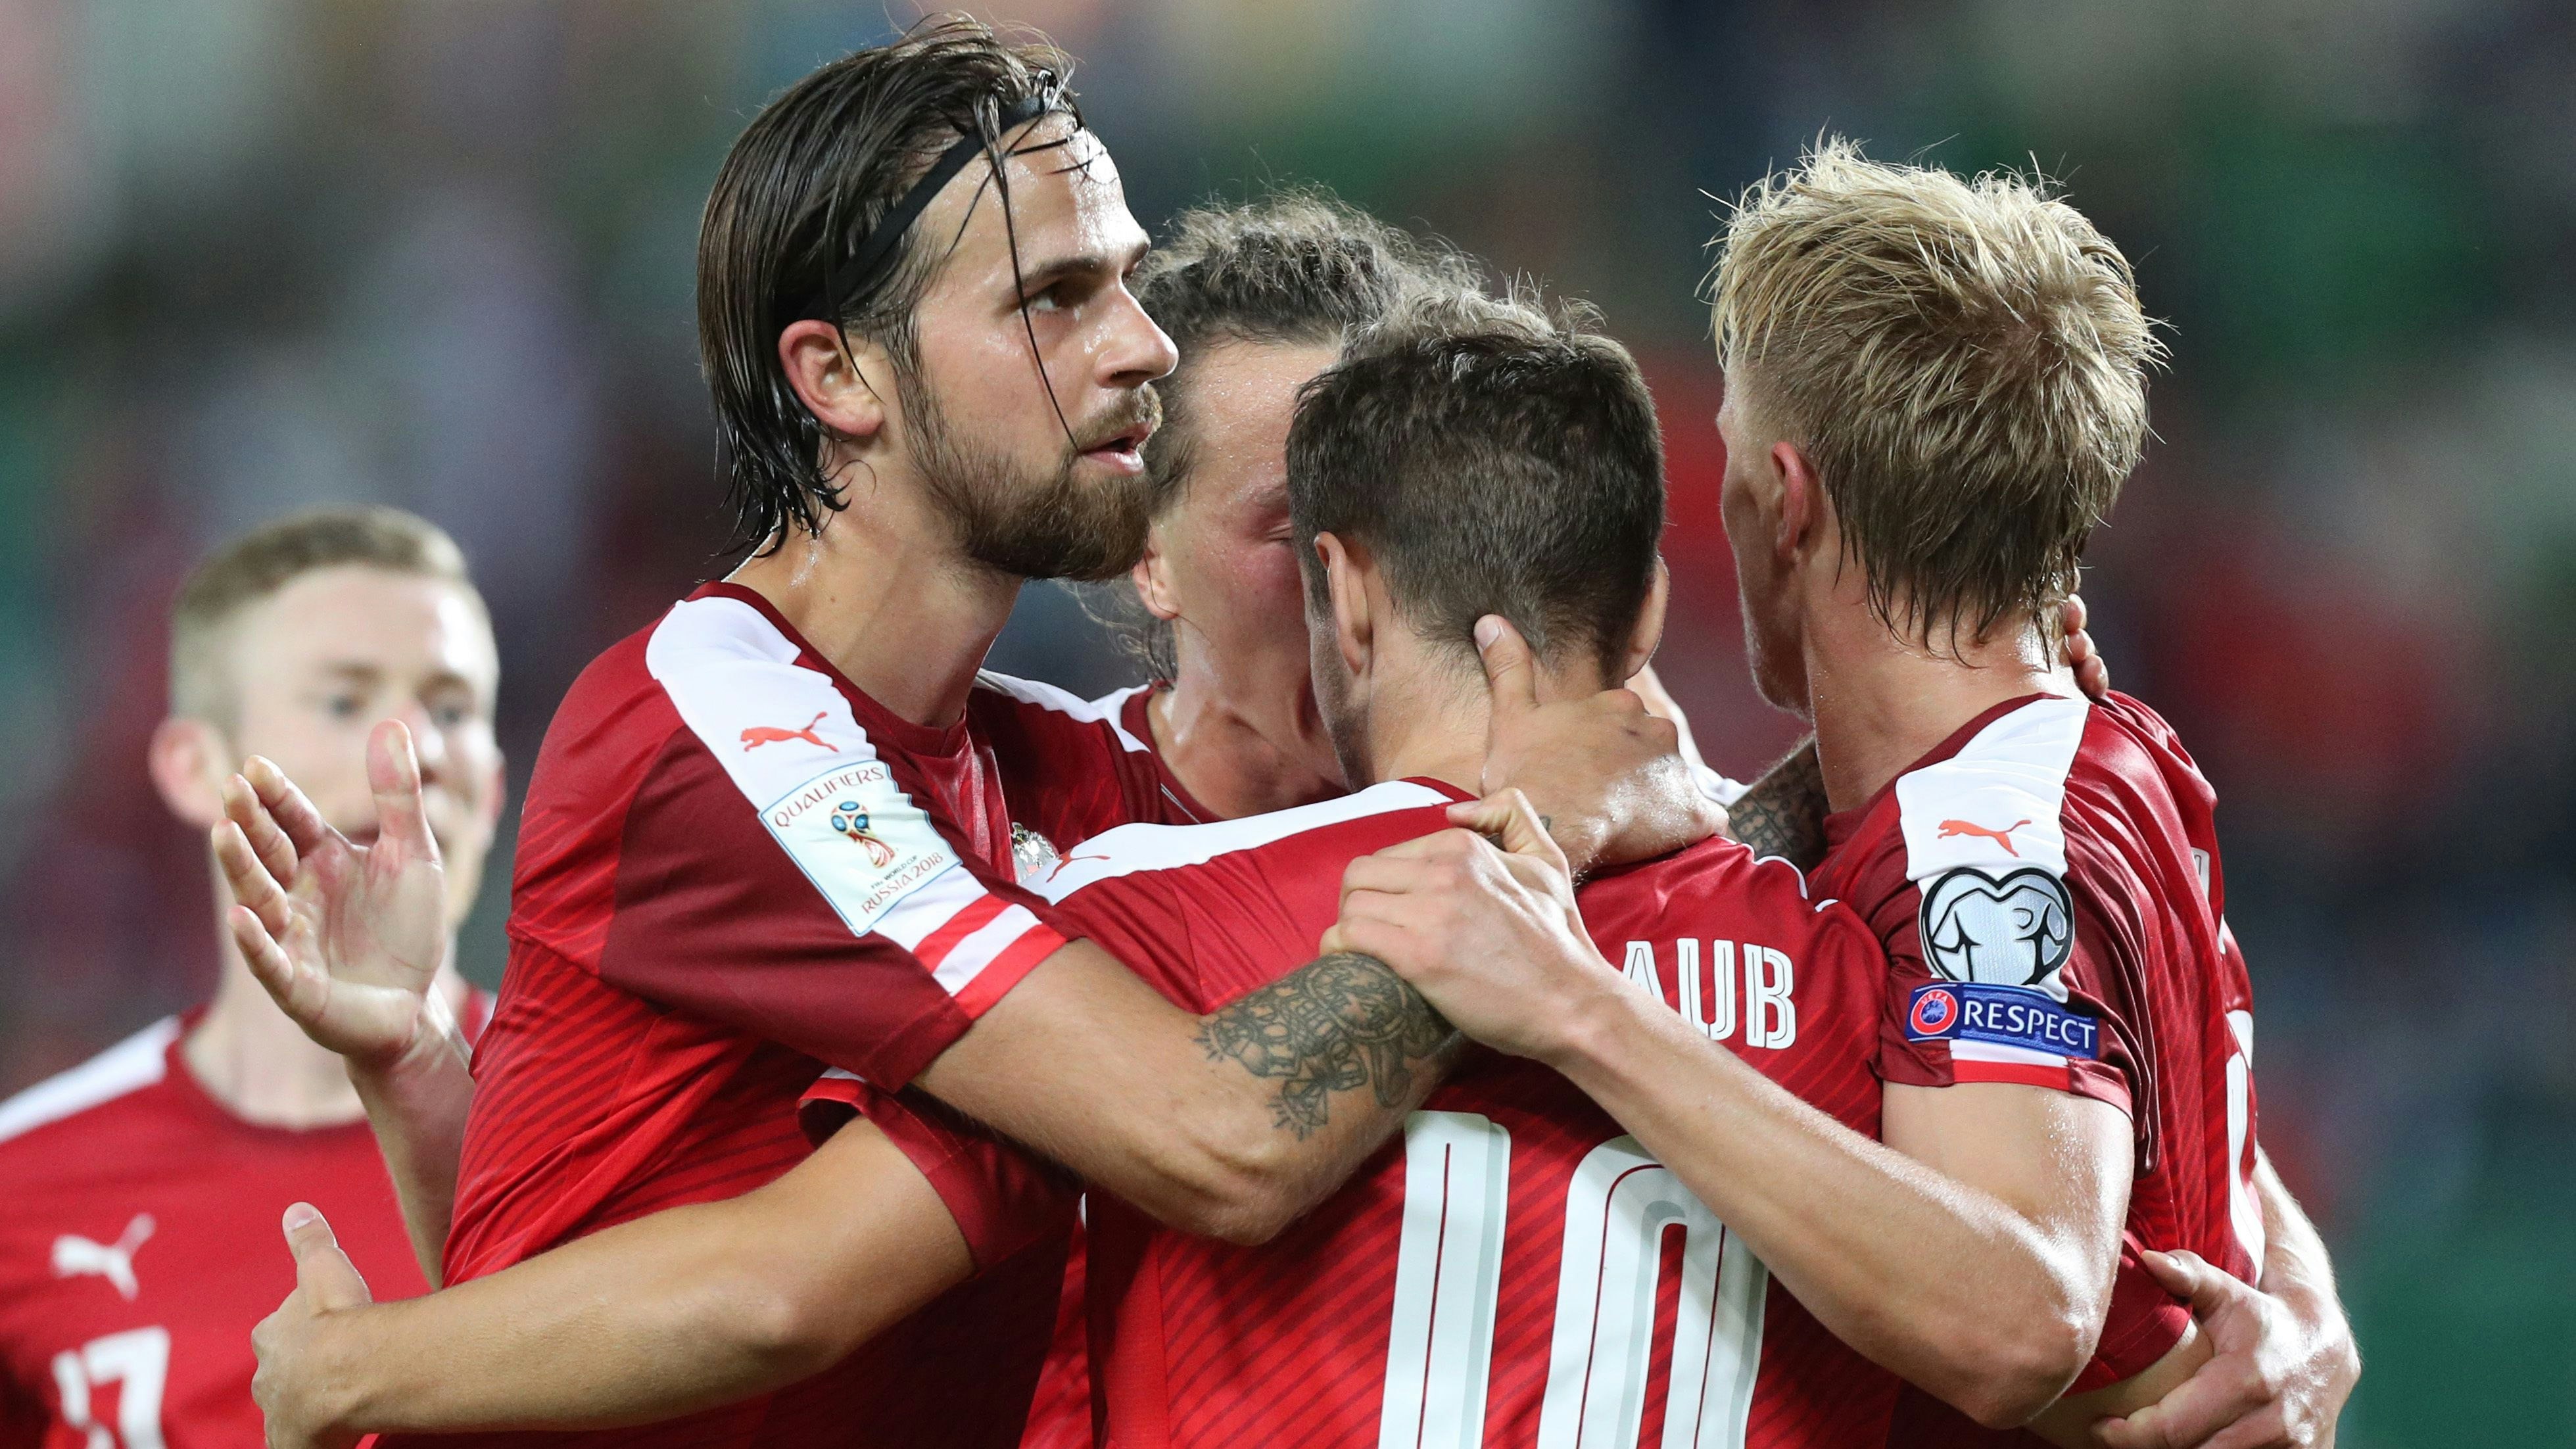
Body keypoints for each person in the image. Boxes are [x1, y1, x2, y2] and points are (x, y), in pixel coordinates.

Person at [210, 24, 1709, 1449]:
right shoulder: (716, 718)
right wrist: (1538, 817)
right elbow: (1214, 1136)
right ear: (838, 376)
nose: (1141, 348)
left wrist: (1700, 793)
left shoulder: (1044, 770)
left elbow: (609, 1230)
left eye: (1123, 283)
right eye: (1052, 299)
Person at [1328, 142, 2359, 1448]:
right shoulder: (2092, 742)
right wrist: (2307, 1308)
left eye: (1737, 458)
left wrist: (1577, 1008)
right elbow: (2153, 1114)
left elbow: (2020, 1313)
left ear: (1790, 505)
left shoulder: (1989, 842)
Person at [0, 509, 501, 1449]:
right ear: (196, 769)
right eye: (345, 701)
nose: (417, 751)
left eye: (452, 709)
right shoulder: (14, 1183)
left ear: (498, 787)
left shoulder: (623, 1123)